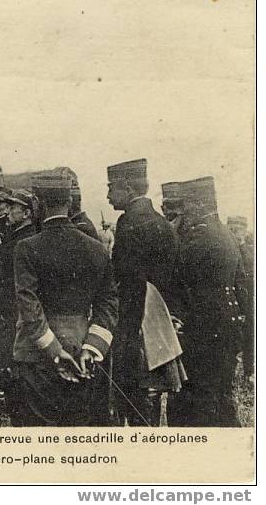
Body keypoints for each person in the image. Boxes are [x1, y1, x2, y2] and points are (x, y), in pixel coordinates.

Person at [9, 173, 118, 426]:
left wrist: (54, 351)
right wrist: (92, 348)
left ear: (37, 203)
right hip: (83, 351)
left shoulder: (26, 247)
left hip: (36, 353)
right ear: (69, 202)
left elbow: (29, 305)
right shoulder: (97, 248)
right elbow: (109, 303)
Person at [106, 158, 179, 426]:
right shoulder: (163, 224)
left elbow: (123, 281)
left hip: (133, 326)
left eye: (112, 187)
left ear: (127, 186)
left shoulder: (130, 224)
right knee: (151, 394)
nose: (108, 194)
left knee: (133, 397)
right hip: (159, 325)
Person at [167, 177, 245, 426]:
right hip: (224, 328)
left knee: (198, 402)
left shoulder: (200, 236)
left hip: (204, 331)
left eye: (187, 205)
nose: (183, 211)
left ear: (199, 204)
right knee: (220, 398)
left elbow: (174, 267)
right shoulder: (225, 233)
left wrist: (172, 231)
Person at [0, 188, 38, 422]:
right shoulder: (15, 234)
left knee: (15, 366)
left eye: (13, 207)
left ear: (26, 212)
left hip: (14, 312)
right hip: (7, 311)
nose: (8, 211)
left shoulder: (26, 239)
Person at [227, 215, 254, 382]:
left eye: (238, 228)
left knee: (250, 333)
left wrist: (242, 243)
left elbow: (251, 266)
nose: (234, 231)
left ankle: (249, 370)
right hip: (231, 294)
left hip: (248, 296)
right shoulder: (226, 243)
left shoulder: (249, 247)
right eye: (232, 227)